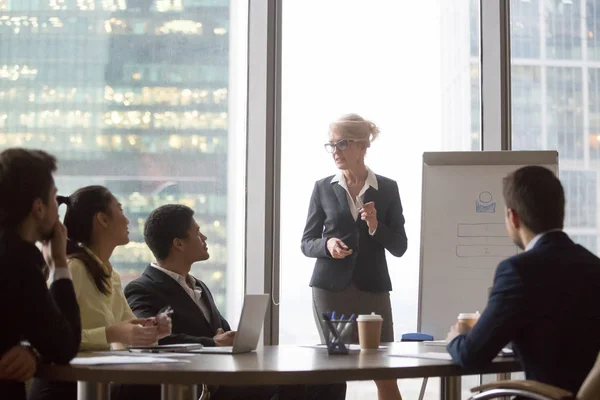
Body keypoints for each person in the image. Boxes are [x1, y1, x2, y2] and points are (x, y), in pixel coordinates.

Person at [125, 204, 347, 400]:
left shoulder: (199, 286)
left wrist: (230, 338)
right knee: (290, 386)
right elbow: (150, 340)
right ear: (178, 244)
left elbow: (224, 335)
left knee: (330, 381)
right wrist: (212, 343)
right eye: (197, 233)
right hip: (197, 389)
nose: (205, 239)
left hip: (227, 378)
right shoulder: (142, 289)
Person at [446, 166, 600, 394]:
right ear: (562, 212)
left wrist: (456, 339)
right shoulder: (594, 265)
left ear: (513, 217)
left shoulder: (517, 271)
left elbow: (472, 355)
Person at [28, 185, 171, 400]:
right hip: (64, 390)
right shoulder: (73, 269)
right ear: (102, 219)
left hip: (96, 388)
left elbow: (128, 328)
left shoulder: (109, 274)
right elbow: (54, 339)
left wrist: (151, 330)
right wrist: (114, 334)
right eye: (120, 210)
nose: (127, 220)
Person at [301, 114, 407, 400]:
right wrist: (328, 245)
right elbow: (307, 242)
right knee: (335, 368)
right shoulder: (322, 187)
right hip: (330, 291)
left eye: (342, 144)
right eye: (331, 144)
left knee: (384, 371)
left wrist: (376, 226)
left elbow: (400, 246)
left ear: (363, 146)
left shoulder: (387, 188)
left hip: (372, 290)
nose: (335, 151)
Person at [0, 148, 81, 400]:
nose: (59, 209)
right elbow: (64, 345)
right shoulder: (19, 261)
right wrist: (58, 263)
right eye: (55, 199)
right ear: (39, 207)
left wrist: (29, 348)